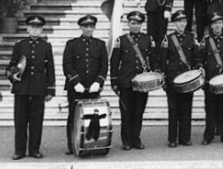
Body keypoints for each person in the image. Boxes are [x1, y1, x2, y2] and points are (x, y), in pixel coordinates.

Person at [6, 15, 55, 160]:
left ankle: (34, 149)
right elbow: (11, 66)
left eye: (38, 28)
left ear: (41, 30)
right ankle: (19, 150)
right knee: (20, 121)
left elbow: (50, 69)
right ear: (27, 28)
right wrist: (11, 75)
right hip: (21, 89)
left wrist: (50, 89)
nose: (35, 30)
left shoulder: (46, 46)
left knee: (36, 121)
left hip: (38, 89)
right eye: (32, 27)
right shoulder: (20, 45)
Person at [110, 11, 159, 151]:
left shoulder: (148, 39)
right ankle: (126, 140)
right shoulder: (121, 40)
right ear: (128, 24)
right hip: (126, 82)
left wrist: (156, 72)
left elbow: (154, 59)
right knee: (126, 112)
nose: (135, 26)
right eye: (133, 23)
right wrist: (114, 81)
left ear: (141, 25)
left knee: (139, 112)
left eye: (138, 23)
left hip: (143, 83)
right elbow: (114, 62)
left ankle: (136, 139)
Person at [63, 14, 108, 155]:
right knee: (73, 115)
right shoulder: (72, 44)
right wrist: (75, 82)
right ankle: (72, 143)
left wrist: (98, 82)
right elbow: (67, 65)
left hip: (93, 87)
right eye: (85, 26)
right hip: (76, 88)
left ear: (94, 28)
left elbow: (104, 66)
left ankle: (91, 142)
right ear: (81, 27)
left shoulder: (100, 45)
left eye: (91, 26)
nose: (88, 29)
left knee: (93, 117)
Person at [160, 10, 201, 148]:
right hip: (172, 79)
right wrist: (164, 78)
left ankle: (185, 138)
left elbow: (196, 57)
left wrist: (199, 67)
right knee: (173, 110)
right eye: (178, 21)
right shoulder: (168, 38)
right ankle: (172, 139)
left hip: (187, 79)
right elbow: (163, 60)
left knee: (186, 109)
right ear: (174, 23)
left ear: (186, 23)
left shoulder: (192, 38)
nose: (181, 24)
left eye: (183, 21)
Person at [201, 13, 223, 145]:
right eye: (215, 23)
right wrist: (200, 68)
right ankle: (208, 135)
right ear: (211, 26)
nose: (217, 25)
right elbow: (200, 59)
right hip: (210, 80)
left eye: (219, 23)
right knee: (210, 110)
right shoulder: (205, 41)